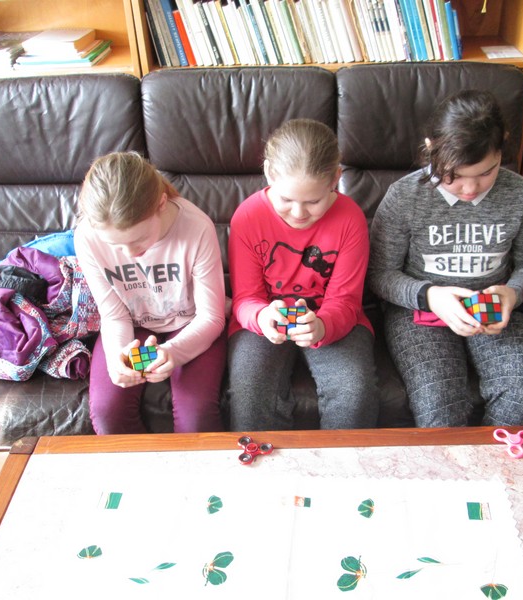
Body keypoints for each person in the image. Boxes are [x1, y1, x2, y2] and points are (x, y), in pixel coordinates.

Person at [368, 90, 523, 427]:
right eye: (454, 175)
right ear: (431, 149)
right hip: (420, 312)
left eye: (485, 173)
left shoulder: (522, 195)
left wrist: (512, 293)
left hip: (494, 307)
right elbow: (380, 273)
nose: (470, 189)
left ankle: (495, 458)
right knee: (439, 402)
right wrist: (430, 296)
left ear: (502, 149)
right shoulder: (405, 196)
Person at [227, 118, 378, 430]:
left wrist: (321, 326)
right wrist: (261, 316)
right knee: (250, 394)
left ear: (336, 178)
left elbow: (346, 301)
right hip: (265, 320)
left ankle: (343, 461)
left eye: (313, 201)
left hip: (332, 317)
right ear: (269, 173)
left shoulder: (350, 219)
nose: (298, 213)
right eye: (286, 200)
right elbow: (245, 299)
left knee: (354, 394)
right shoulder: (248, 217)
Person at [74, 151, 226, 434]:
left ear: (161, 204)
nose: (130, 253)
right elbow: (114, 316)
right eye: (116, 246)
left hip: (192, 322)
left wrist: (173, 352)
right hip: (133, 326)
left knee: (196, 416)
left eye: (140, 239)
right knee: (107, 412)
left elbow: (212, 317)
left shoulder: (197, 227)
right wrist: (117, 359)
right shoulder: (86, 237)